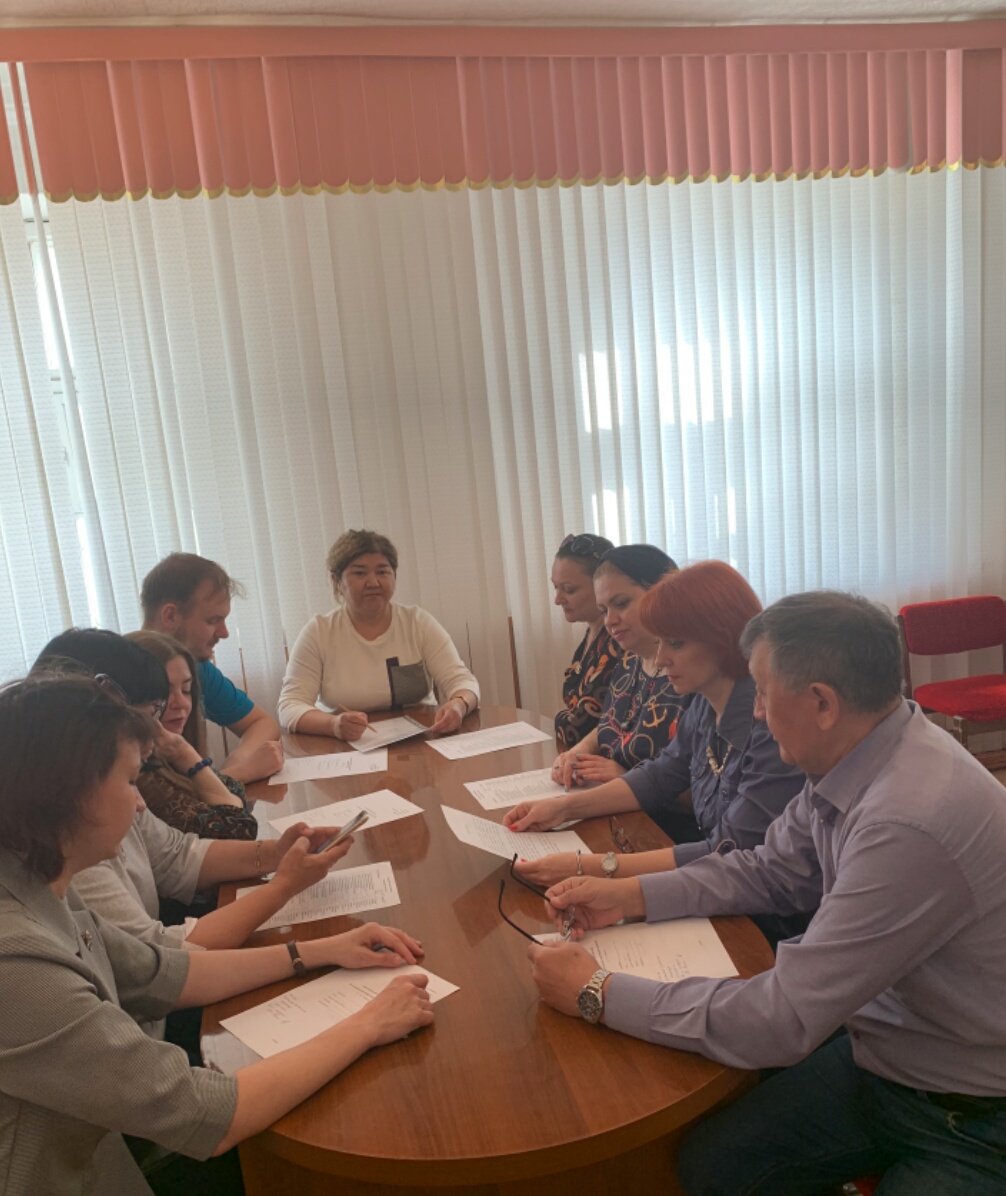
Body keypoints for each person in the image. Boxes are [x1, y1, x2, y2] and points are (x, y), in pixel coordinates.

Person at [529, 592, 1006, 1196]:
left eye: (762, 691)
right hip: (889, 1054)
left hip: (971, 1115)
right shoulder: (863, 750)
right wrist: (629, 897)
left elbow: (782, 1018)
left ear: (822, 703)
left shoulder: (907, 819)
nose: (754, 711)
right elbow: (767, 869)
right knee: (712, 1163)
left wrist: (596, 991)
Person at [0, 673, 434, 1196]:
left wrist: (322, 950)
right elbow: (206, 1111)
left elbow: (168, 973)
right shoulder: (16, 963)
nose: (140, 805)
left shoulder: (40, 886)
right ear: (70, 795)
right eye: (130, 781)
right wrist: (368, 1024)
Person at [31, 630, 345, 968]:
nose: (152, 734)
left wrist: (276, 853)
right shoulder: (68, 840)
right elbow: (159, 960)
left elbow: (177, 855)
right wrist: (283, 889)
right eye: (147, 716)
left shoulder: (109, 785)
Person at [507, 561, 804, 892]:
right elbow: (658, 776)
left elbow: (726, 851)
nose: (660, 659)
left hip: (753, 904)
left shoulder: (771, 726)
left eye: (675, 644)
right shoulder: (704, 704)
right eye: (659, 642)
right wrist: (562, 809)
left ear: (722, 638)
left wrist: (588, 866)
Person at [278, 529, 480, 740]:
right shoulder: (318, 632)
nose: (373, 582)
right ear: (336, 581)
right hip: (346, 744)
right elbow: (290, 705)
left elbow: (463, 682)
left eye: (382, 572)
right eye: (360, 573)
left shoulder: (418, 622)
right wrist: (333, 725)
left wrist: (459, 704)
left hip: (419, 741)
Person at [551, 544, 686, 789]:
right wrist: (578, 751)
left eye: (621, 603)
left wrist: (628, 777)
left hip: (654, 810)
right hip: (614, 796)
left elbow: (700, 786)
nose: (610, 621)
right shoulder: (630, 658)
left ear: (662, 594)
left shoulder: (691, 673)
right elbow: (609, 723)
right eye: (604, 610)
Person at [140, 553, 283, 783]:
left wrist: (239, 760)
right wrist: (240, 773)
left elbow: (263, 724)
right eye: (213, 621)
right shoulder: (123, 678)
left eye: (185, 689)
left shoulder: (196, 668)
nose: (224, 633)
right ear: (170, 615)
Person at [124, 631, 258, 840]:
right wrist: (184, 753)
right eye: (165, 692)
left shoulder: (164, 753)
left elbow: (234, 790)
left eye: (186, 690)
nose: (181, 703)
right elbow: (241, 828)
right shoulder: (143, 778)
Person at [552, 532, 618, 749]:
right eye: (555, 587)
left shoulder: (617, 640)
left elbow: (577, 729)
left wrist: (559, 717)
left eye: (569, 589)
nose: (557, 600)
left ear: (602, 585)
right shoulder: (592, 633)